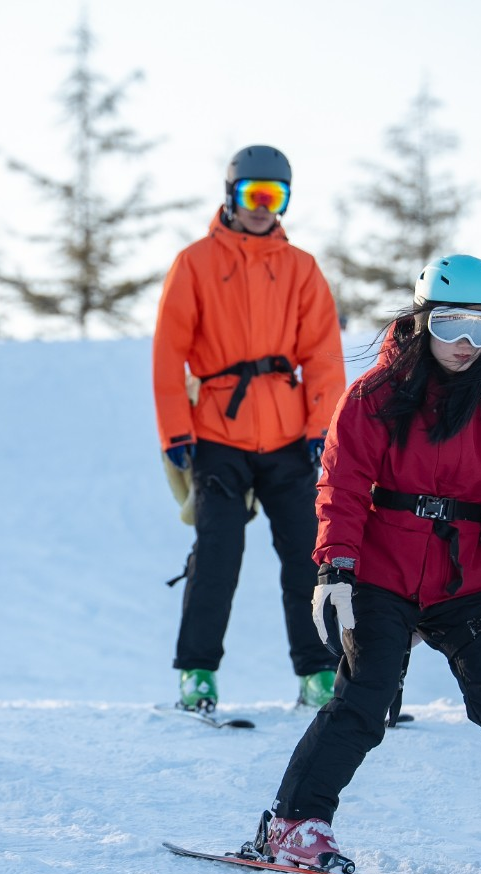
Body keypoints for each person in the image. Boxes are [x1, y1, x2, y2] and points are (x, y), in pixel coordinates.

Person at [258, 255, 481, 874]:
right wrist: (335, 570)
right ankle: (294, 822)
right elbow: (341, 488)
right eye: (449, 326)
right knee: (366, 695)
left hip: (461, 579)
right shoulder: (375, 395)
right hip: (381, 573)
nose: (466, 344)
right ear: (421, 322)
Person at [152, 145, 346, 717]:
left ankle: (318, 673)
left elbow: (323, 355)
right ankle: (197, 673)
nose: (263, 206)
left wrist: (321, 428)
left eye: (274, 195)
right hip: (217, 433)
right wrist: (175, 431)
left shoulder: (301, 268)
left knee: (307, 555)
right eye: (252, 194)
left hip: (289, 436)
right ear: (231, 195)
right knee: (218, 552)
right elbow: (168, 353)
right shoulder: (194, 263)